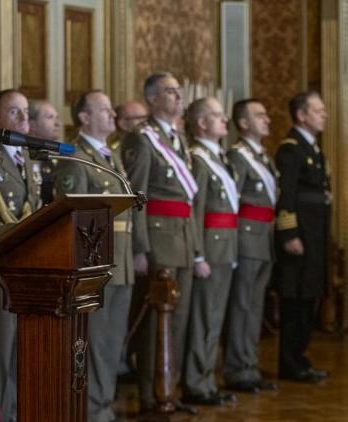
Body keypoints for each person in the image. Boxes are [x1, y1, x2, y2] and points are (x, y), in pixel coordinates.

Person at [120, 72, 198, 413]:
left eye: (179, 91)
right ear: (152, 99)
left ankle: (171, 388)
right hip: (158, 239)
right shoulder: (142, 138)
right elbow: (137, 197)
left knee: (178, 319)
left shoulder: (178, 138)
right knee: (155, 324)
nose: (178, 96)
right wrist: (140, 247)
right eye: (170, 91)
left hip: (182, 237)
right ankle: (152, 394)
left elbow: (187, 199)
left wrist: (194, 245)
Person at [54, 90, 133, 422]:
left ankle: (104, 404)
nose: (112, 115)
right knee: (95, 342)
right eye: (103, 110)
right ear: (84, 118)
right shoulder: (76, 157)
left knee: (114, 342)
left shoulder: (111, 155)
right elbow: (72, 215)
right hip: (95, 263)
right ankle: (90, 409)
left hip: (121, 261)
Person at [0, 89, 42, 422]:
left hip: (27, 270)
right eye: (14, 112)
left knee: (21, 353)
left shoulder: (29, 160)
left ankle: (16, 413)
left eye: (26, 112)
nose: (23, 119)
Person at [184, 97, 238, 406]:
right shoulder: (198, 159)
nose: (224, 120)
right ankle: (196, 382)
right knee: (204, 318)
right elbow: (196, 209)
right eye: (217, 116)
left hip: (226, 245)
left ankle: (206, 379)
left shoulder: (218, 157)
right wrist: (199, 254)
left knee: (215, 318)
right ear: (201, 123)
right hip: (210, 248)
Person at [275, 91, 331, 383]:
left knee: (309, 298)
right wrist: (289, 233)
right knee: (295, 301)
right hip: (299, 238)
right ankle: (291, 362)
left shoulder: (313, 149)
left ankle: (300, 359)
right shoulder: (291, 149)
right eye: (318, 110)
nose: (325, 115)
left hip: (315, 237)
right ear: (301, 115)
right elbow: (285, 195)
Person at [223, 99, 278, 393]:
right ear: (243, 123)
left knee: (255, 307)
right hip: (245, 237)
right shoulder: (238, 156)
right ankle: (237, 368)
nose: (267, 119)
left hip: (263, 238)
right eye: (260, 115)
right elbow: (231, 202)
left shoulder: (263, 157)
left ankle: (250, 364)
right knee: (242, 305)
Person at [28, 100, 63, 205]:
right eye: (50, 117)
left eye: (57, 117)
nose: (58, 123)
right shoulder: (27, 157)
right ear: (32, 124)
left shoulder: (62, 155)